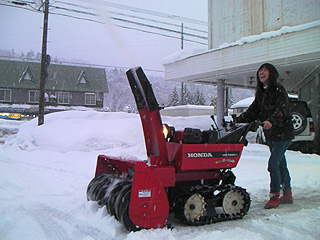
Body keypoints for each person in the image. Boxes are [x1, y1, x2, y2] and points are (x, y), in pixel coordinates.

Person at [234, 63, 294, 209]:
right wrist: (238, 120)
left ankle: (275, 195)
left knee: (273, 163)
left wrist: (271, 121)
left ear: (271, 73)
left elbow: (282, 109)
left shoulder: (279, 90)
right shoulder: (261, 93)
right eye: (260, 70)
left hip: (283, 132)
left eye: (265, 70)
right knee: (280, 163)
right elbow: (253, 111)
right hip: (271, 134)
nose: (262, 72)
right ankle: (287, 192)